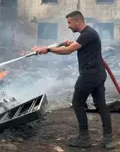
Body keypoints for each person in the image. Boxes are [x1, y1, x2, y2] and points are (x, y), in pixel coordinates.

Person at [34, 10, 115, 149]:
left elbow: (68, 50)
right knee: (101, 105)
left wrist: (48, 49)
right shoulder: (87, 34)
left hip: (89, 75)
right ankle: (108, 139)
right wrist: (73, 43)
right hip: (98, 74)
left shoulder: (88, 34)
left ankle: (84, 138)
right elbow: (80, 46)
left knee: (77, 103)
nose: (69, 26)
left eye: (69, 23)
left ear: (78, 21)